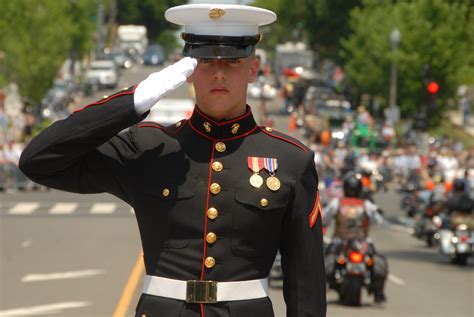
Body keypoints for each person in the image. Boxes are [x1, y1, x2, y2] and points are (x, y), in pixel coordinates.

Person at [19, 4, 326, 317]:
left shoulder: (290, 160)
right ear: (188, 70)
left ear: (253, 68)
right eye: (206, 60)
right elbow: (39, 160)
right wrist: (135, 100)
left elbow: (307, 288)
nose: (219, 72)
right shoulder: (150, 147)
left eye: (233, 61)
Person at [323, 172, 387, 303]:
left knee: (321, 263)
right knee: (379, 262)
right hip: (362, 242)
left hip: (339, 241)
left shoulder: (337, 203)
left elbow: (324, 218)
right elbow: (379, 221)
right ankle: (378, 293)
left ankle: (317, 292)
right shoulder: (366, 204)